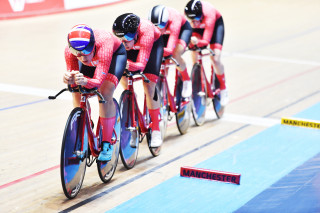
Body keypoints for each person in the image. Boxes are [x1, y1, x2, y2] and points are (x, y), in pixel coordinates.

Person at [63, 24, 127, 161]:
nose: (82, 56)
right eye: (78, 53)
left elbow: (97, 81)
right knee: (76, 90)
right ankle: (84, 125)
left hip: (114, 57)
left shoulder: (103, 44)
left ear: (93, 45)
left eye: (86, 50)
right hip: (94, 62)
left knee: (105, 93)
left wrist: (86, 81)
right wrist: (69, 79)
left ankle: (106, 144)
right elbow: (74, 81)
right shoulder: (71, 52)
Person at [112, 13, 164, 148]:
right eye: (120, 38)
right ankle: (134, 112)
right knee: (124, 80)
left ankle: (156, 129)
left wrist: (130, 65)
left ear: (135, 33)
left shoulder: (146, 32)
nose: (124, 41)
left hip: (152, 48)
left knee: (149, 85)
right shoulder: (124, 40)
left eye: (127, 37)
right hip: (133, 49)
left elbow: (141, 65)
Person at [185, 0, 228, 106]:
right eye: (191, 19)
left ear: (201, 14)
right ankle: (199, 80)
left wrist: (197, 42)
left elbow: (205, 41)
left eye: (196, 18)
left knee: (215, 58)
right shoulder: (192, 17)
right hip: (199, 29)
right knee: (194, 52)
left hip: (215, 28)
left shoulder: (209, 14)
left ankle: (223, 88)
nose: (194, 21)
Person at [148, 5, 193, 98]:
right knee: (161, 60)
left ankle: (186, 80)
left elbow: (169, 50)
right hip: (166, 33)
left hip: (181, 31)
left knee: (175, 54)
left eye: (160, 26)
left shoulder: (174, 20)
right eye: (155, 27)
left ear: (166, 21)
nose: (159, 29)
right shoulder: (151, 24)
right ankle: (163, 83)